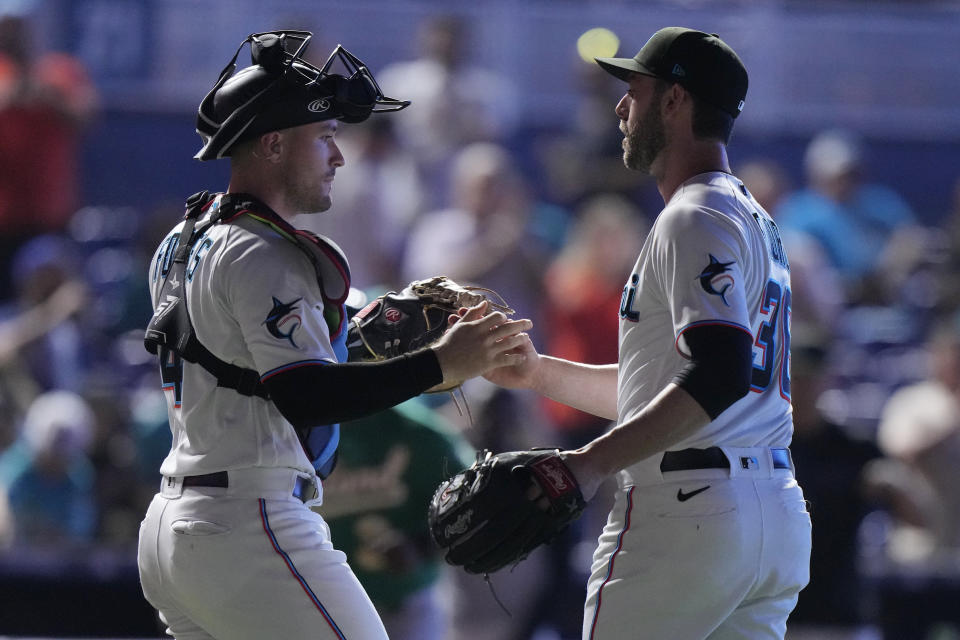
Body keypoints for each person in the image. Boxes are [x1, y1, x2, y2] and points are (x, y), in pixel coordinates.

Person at [136, 30, 532, 640]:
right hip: (249, 520)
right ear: (272, 144)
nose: (338, 157)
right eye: (323, 137)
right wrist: (440, 364)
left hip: (176, 523)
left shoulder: (182, 239)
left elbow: (242, 360)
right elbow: (307, 396)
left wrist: (351, 337)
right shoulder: (269, 254)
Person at [486, 27, 812, 639]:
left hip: (688, 510)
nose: (619, 107)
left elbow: (718, 373)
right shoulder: (751, 216)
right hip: (768, 509)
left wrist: (587, 465)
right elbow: (673, 390)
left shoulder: (693, 214)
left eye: (633, 91)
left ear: (674, 101)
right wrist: (536, 373)